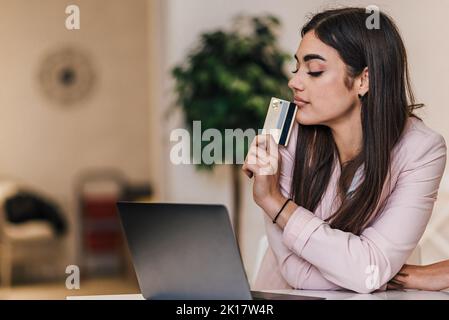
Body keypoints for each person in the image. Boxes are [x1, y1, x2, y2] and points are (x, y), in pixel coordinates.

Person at [242, 7, 447, 294]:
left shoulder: (422, 150)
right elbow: (297, 274)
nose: (294, 81)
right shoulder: (284, 132)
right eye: (296, 68)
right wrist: (380, 274)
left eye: (314, 71)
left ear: (364, 80)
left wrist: (274, 202)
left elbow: (368, 271)